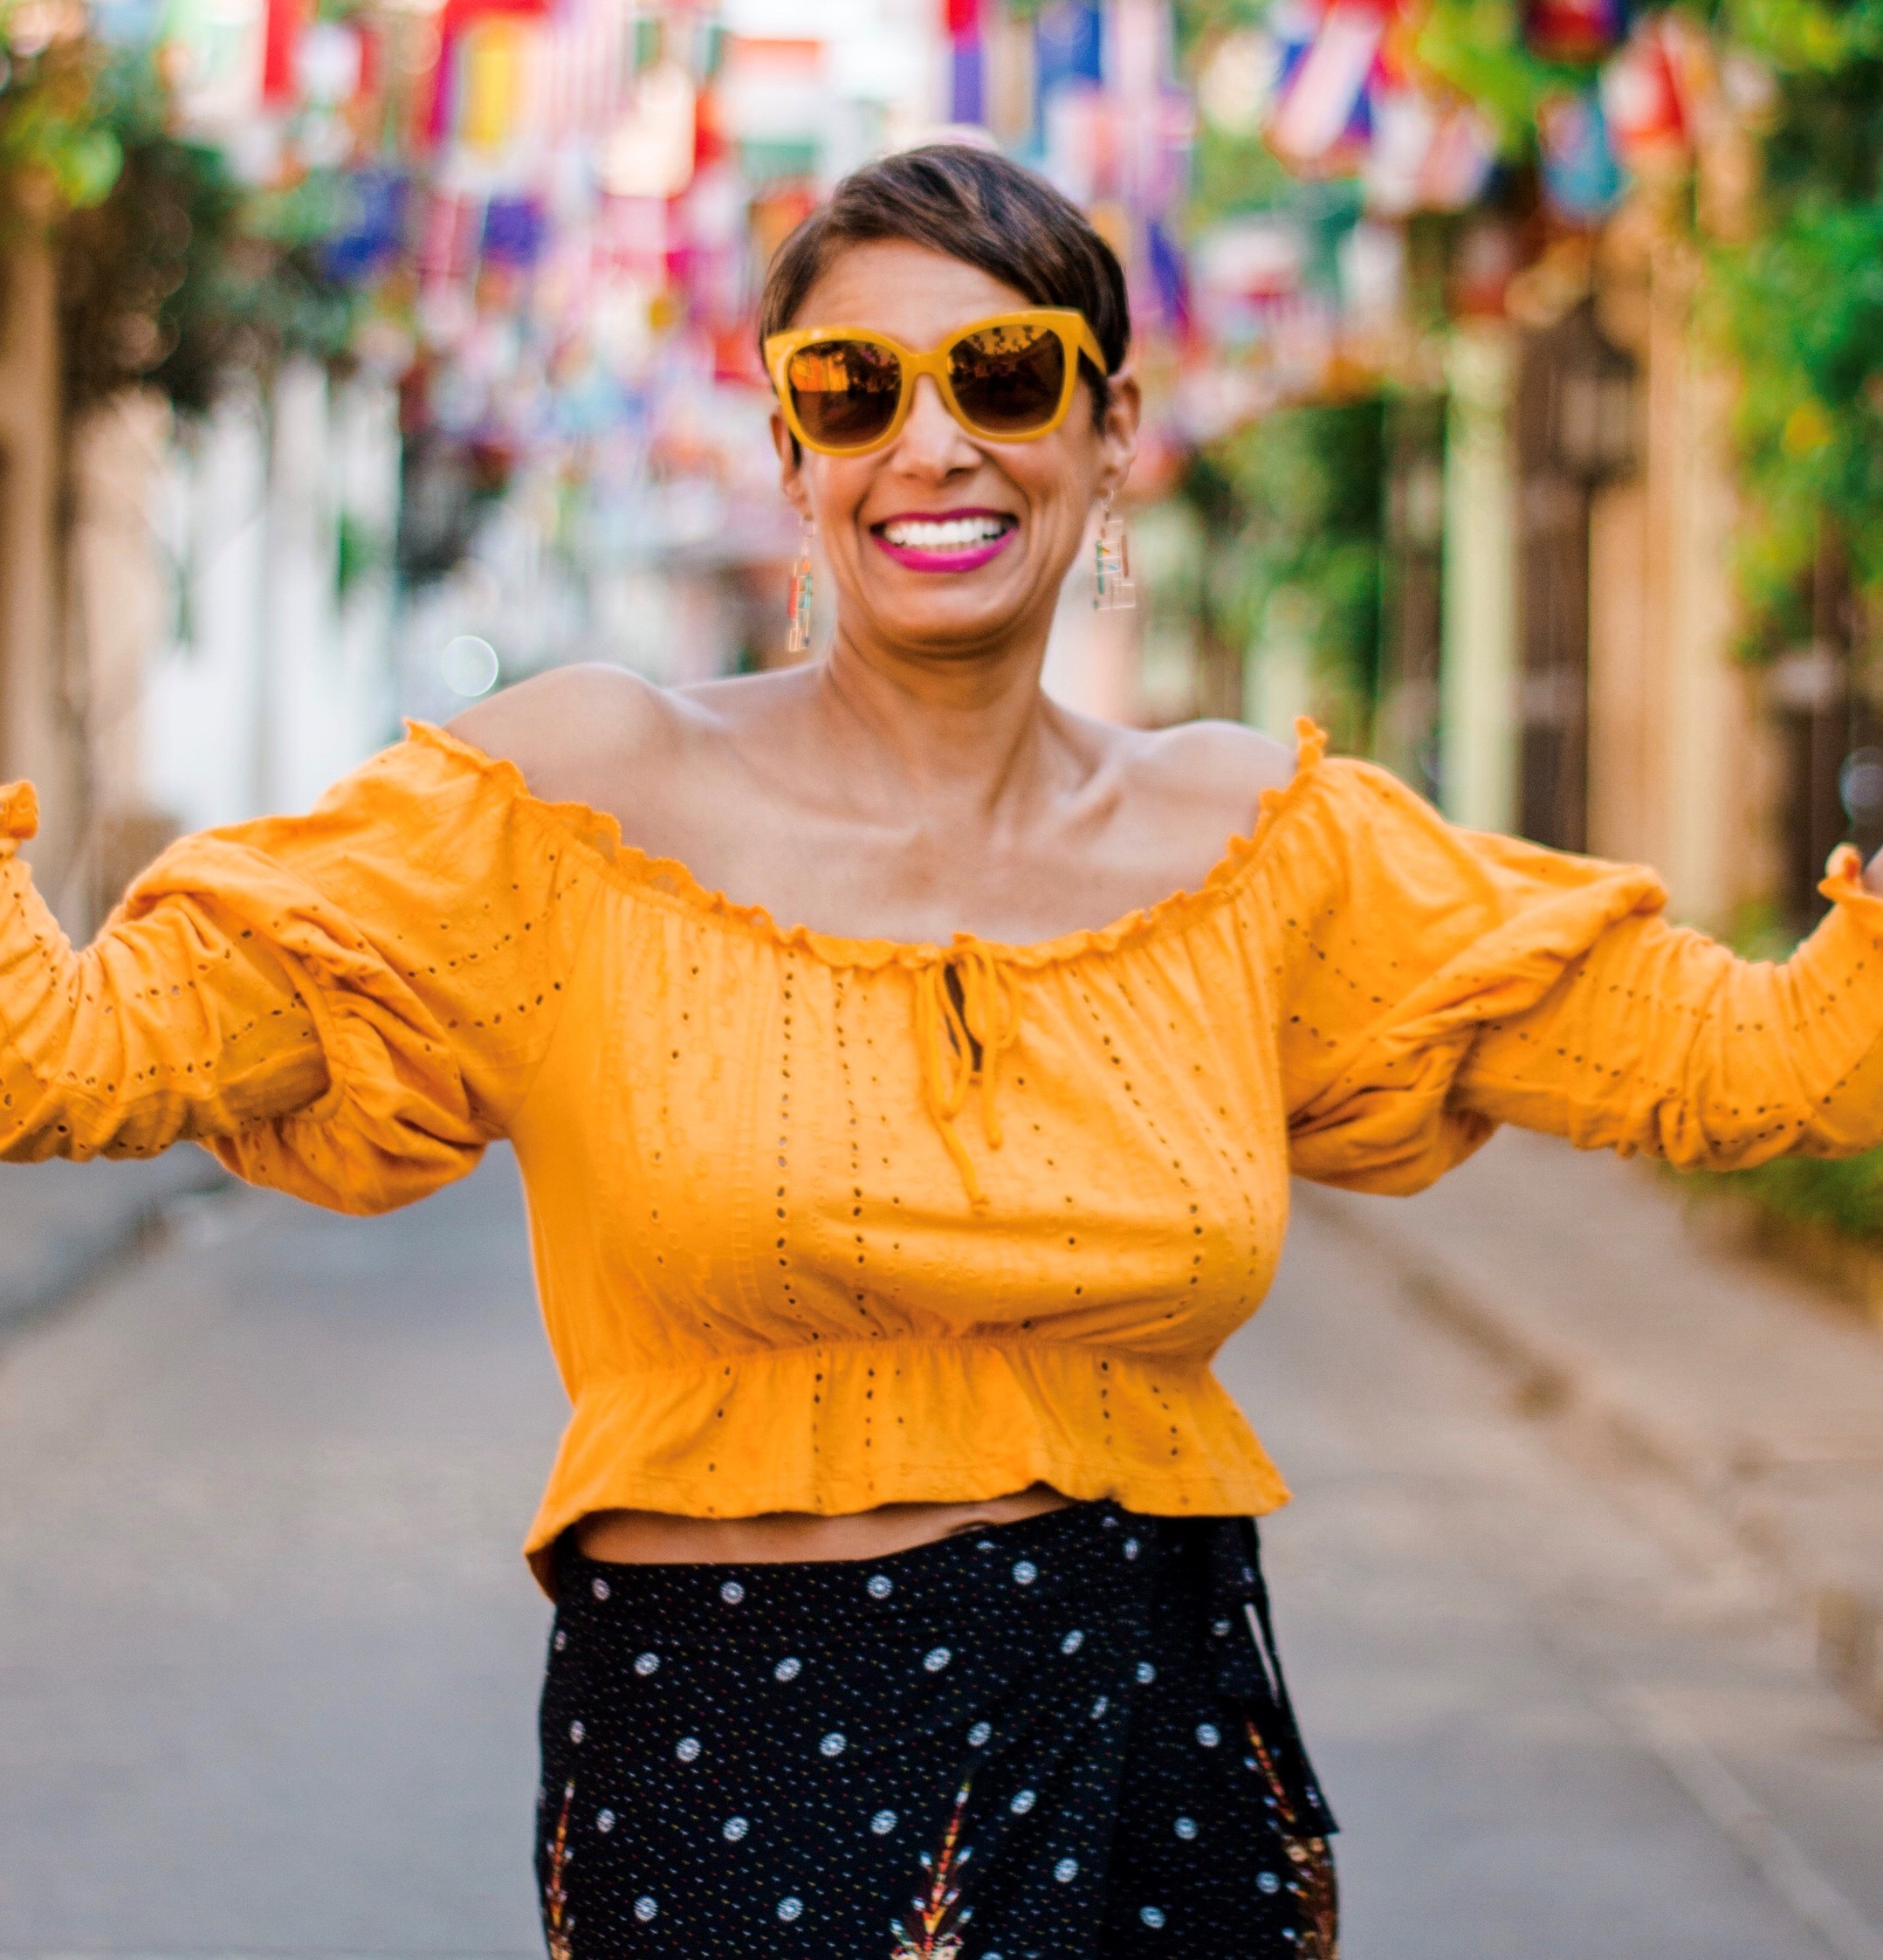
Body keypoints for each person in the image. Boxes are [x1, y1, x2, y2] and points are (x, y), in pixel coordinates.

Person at [4, 144, 1883, 1959]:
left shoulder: (1257, 841)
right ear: (789, 452)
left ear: (1108, 428)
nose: (930, 440)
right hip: (727, 1747)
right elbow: (73, 1059)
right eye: (850, 386)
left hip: (1155, 1731)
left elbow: (1765, 1067)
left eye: (1001, 373)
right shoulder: (574, 799)